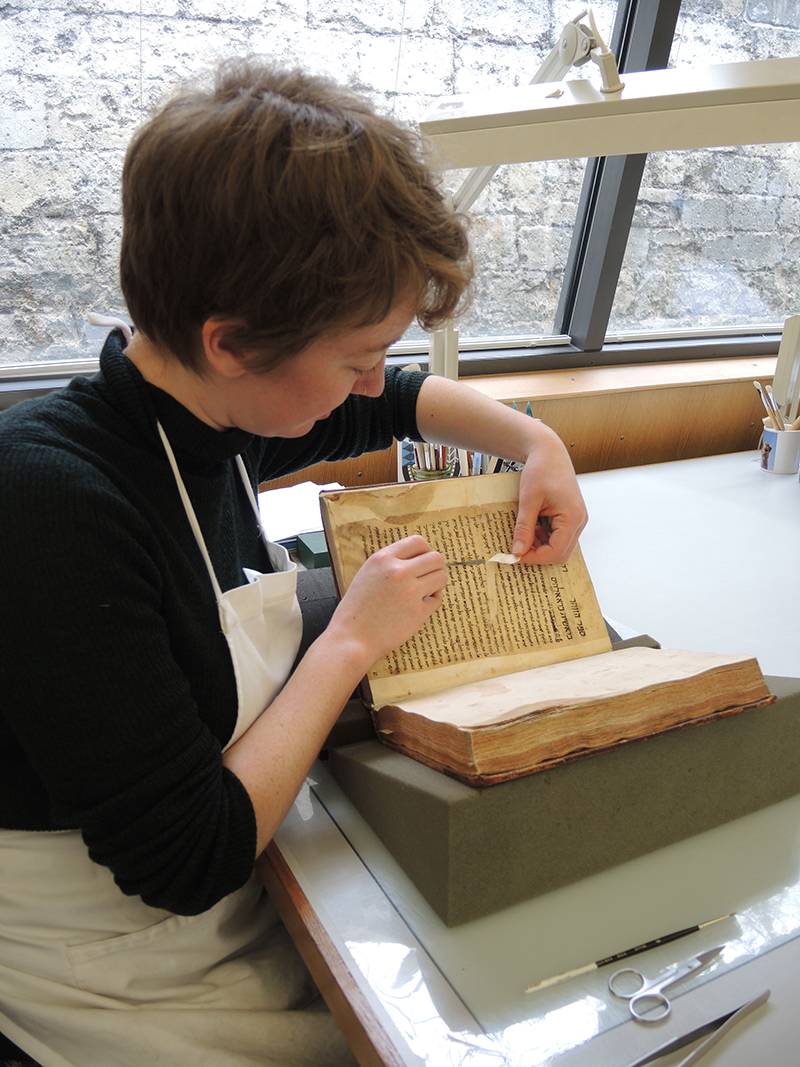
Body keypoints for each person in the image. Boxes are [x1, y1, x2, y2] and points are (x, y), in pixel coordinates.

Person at [0, 58, 587, 1067]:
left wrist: (537, 446)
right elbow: (186, 857)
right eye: (356, 353)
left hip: (240, 883)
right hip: (113, 950)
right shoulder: (52, 505)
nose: (371, 378)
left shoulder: (201, 412)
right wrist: (351, 636)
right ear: (230, 342)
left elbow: (395, 400)